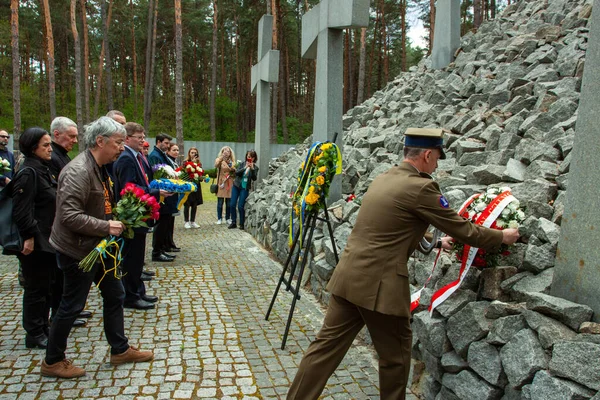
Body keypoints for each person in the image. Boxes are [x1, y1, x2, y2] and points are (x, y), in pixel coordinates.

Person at [286, 128, 521, 400]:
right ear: (427, 154)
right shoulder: (422, 187)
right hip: (379, 289)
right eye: (437, 159)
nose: (436, 164)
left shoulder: (385, 178)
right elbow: (464, 230)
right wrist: (502, 236)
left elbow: (392, 226)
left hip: (349, 277)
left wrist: (433, 242)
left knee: (323, 350)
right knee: (395, 359)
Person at [42, 117, 153, 378]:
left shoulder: (102, 166)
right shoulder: (78, 170)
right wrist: (107, 226)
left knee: (116, 295)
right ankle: (52, 361)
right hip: (77, 250)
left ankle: (120, 349)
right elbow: (69, 215)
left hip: (99, 248)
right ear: (100, 141)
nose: (121, 148)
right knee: (71, 305)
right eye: (117, 143)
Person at [9, 128, 56, 349]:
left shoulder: (42, 169)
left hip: (46, 237)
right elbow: (21, 210)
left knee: (45, 286)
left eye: (49, 144)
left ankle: (43, 326)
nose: (50, 149)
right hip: (35, 240)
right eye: (45, 145)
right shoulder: (28, 172)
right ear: (33, 147)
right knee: (36, 288)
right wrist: (28, 237)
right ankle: (34, 332)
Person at [113, 122, 168, 310]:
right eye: (139, 137)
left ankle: (138, 291)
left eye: (144, 137)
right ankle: (131, 295)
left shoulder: (135, 156)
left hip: (141, 215)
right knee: (131, 259)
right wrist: (155, 191)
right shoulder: (126, 158)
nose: (143, 141)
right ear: (128, 138)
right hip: (133, 216)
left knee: (137, 258)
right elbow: (129, 188)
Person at [48, 116, 90, 328]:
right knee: (58, 280)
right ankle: (59, 314)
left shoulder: (62, 156)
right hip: (60, 227)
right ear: (57, 134)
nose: (75, 140)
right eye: (71, 136)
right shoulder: (54, 158)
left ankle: (66, 311)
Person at [147, 133, 177, 262]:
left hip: (166, 193)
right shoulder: (155, 156)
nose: (168, 145)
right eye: (165, 143)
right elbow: (157, 175)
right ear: (158, 142)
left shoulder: (161, 155)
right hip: (161, 194)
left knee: (165, 223)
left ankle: (162, 248)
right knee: (161, 224)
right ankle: (157, 252)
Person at [228, 150, 258, 230]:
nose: (249, 158)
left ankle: (241, 224)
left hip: (244, 188)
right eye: (248, 156)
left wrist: (251, 169)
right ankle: (233, 222)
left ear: (254, 158)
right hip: (236, 185)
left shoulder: (255, 167)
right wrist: (245, 167)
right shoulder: (242, 164)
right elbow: (237, 173)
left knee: (241, 206)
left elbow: (254, 178)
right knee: (232, 204)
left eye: (251, 157)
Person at [165, 143, 181, 253]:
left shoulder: (174, 162)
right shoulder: (168, 161)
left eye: (177, 150)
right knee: (167, 222)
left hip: (174, 193)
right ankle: (167, 243)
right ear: (168, 151)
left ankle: (170, 242)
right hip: (167, 194)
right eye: (174, 150)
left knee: (171, 221)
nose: (176, 152)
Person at [214, 146, 236, 225]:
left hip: (229, 182)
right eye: (224, 151)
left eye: (228, 151)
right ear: (222, 152)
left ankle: (227, 218)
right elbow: (216, 165)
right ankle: (219, 218)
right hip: (221, 182)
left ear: (230, 153)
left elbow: (234, 171)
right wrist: (221, 158)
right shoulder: (219, 160)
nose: (226, 152)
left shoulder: (232, 162)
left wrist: (233, 169)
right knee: (220, 202)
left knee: (229, 202)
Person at [183, 147, 203, 229]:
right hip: (188, 184)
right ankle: (186, 221)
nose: (193, 154)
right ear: (189, 153)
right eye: (192, 152)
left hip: (196, 185)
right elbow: (184, 173)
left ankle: (192, 221)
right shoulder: (185, 162)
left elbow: (200, 173)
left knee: (194, 204)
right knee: (187, 204)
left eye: (195, 152)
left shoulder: (199, 164)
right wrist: (192, 164)